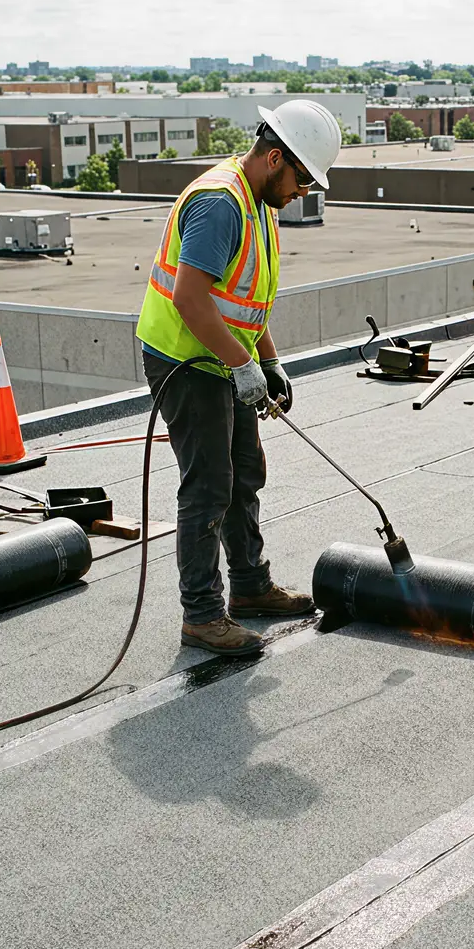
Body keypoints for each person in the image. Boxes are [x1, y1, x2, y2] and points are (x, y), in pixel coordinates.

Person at [136, 99, 343, 654]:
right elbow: (190, 299)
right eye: (303, 179)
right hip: (186, 360)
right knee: (207, 487)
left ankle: (249, 587)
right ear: (276, 158)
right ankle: (202, 616)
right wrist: (241, 364)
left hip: (222, 355)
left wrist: (268, 361)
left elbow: (245, 305)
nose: (305, 192)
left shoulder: (259, 205)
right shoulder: (221, 205)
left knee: (245, 470)